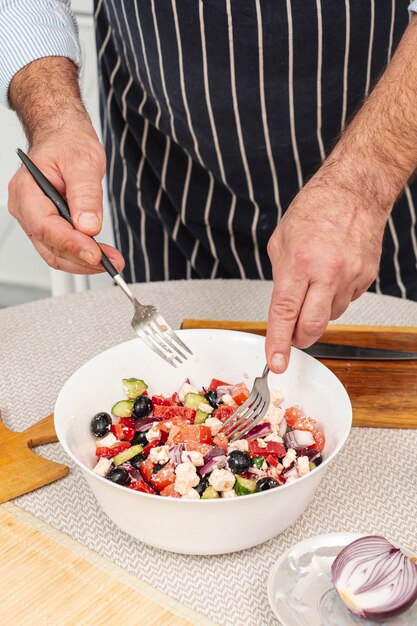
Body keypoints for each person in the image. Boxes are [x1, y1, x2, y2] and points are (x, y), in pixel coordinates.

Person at [2, 1, 417, 374]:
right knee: (171, 377)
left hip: (383, 147)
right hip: (164, 150)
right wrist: (53, 118)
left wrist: (365, 184)